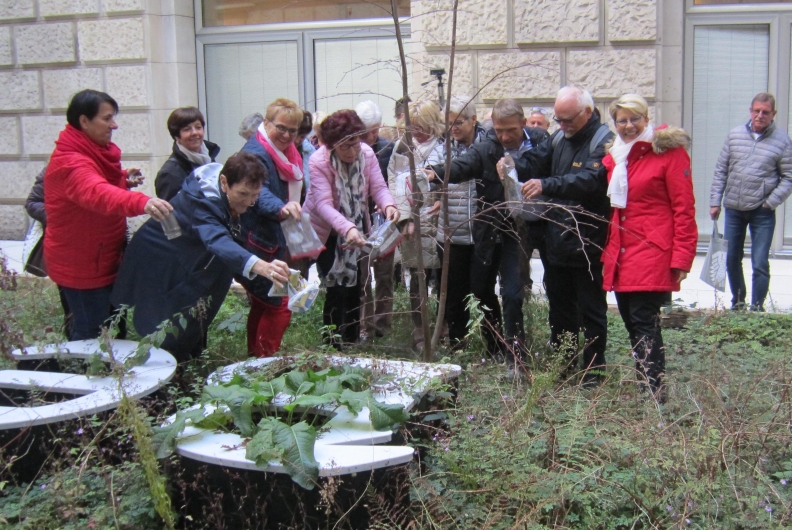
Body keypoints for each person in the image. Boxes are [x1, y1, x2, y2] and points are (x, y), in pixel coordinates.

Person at [112, 152, 290, 362]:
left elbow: (235, 240)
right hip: (162, 263)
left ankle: (185, 364)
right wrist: (260, 265)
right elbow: (218, 240)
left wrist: (267, 269)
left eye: (255, 195)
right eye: (243, 194)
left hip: (192, 264)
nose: (250, 202)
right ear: (224, 182)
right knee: (164, 329)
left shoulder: (234, 196)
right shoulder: (201, 202)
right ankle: (158, 380)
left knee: (190, 324)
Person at [44, 89, 172, 341]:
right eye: (107, 118)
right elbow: (97, 192)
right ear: (84, 121)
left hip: (105, 257)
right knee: (91, 334)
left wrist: (122, 179)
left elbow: (100, 184)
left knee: (116, 325)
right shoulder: (70, 162)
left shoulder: (93, 151)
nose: (114, 124)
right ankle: (86, 378)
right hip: (82, 266)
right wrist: (142, 202)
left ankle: (114, 376)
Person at [428, 99, 549, 362]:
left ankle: (522, 352)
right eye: (498, 130)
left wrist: (514, 166)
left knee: (524, 290)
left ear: (523, 123)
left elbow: (540, 164)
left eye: (511, 131)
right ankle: (505, 350)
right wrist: (434, 174)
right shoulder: (487, 147)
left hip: (538, 224)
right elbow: (464, 165)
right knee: (495, 290)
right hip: (501, 229)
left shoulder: (541, 140)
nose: (504, 137)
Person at [515, 86, 613, 386]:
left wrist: (547, 185)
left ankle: (594, 370)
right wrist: (511, 164)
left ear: (587, 112)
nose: (563, 126)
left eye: (568, 119)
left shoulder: (605, 141)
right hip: (556, 238)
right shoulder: (558, 138)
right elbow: (535, 161)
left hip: (589, 241)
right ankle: (564, 361)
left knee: (592, 310)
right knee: (560, 307)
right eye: (558, 119)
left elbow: (591, 181)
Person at [601, 94, 697, 400]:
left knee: (645, 322)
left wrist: (682, 257)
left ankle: (655, 393)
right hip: (623, 250)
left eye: (635, 119)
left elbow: (684, 207)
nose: (629, 126)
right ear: (614, 124)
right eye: (622, 120)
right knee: (631, 322)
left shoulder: (669, 153)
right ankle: (646, 384)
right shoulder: (617, 156)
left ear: (646, 119)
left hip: (653, 250)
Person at [303, 110, 399, 348]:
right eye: (346, 147)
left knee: (356, 286)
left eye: (356, 144)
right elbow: (323, 204)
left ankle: (352, 342)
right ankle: (333, 345)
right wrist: (347, 229)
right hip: (327, 233)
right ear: (332, 145)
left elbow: (379, 186)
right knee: (336, 290)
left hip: (356, 230)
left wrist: (388, 204)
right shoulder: (318, 161)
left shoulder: (367, 153)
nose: (353, 151)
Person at [709, 92, 792, 311]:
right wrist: (715, 201)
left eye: (765, 112)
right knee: (732, 259)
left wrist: (770, 202)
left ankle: (757, 307)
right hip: (734, 209)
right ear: (750, 111)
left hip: (762, 212)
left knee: (760, 262)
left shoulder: (782, 141)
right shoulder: (735, 135)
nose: (760, 115)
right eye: (756, 111)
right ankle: (738, 303)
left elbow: (789, 177)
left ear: (773, 114)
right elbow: (721, 171)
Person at [239, 98, 305, 357]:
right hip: (257, 242)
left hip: (274, 240)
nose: (287, 135)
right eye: (281, 128)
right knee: (280, 305)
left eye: (293, 130)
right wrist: (282, 207)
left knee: (262, 304)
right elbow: (259, 192)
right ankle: (266, 364)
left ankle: (254, 359)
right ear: (266, 123)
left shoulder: (288, 153)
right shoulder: (255, 153)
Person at [389, 101, 446, 352]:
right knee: (416, 276)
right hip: (413, 218)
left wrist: (443, 200)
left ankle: (444, 323)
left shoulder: (444, 148)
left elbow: (453, 179)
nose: (417, 133)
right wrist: (404, 217)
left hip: (442, 220)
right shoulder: (401, 148)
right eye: (413, 127)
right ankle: (420, 325)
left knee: (443, 275)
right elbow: (393, 181)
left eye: (422, 127)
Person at [440, 95, 486, 350]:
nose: (453, 128)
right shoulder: (442, 147)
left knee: (483, 289)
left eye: (458, 122)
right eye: (449, 123)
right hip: (452, 231)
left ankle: (494, 345)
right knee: (454, 293)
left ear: (474, 119)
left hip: (481, 231)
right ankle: (457, 344)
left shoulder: (487, 144)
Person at [356, 100, 397, 340]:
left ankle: (383, 326)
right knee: (362, 276)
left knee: (384, 274)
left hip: (384, 218)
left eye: (375, 129)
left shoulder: (388, 148)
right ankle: (364, 326)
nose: (372, 135)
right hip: (360, 220)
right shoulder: (351, 149)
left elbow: (388, 183)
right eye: (367, 130)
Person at [155, 107, 220, 201]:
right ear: (176, 136)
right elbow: (171, 212)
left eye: (198, 127)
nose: (194, 133)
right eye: (187, 129)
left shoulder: (209, 159)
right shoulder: (169, 173)